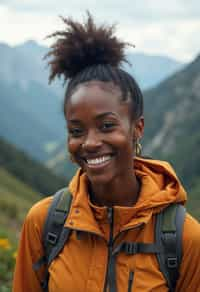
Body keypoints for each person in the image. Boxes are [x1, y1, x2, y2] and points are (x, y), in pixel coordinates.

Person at [13, 13, 200, 292]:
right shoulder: (44, 224)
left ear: (137, 128)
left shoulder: (185, 239)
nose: (89, 142)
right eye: (76, 131)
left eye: (107, 125)